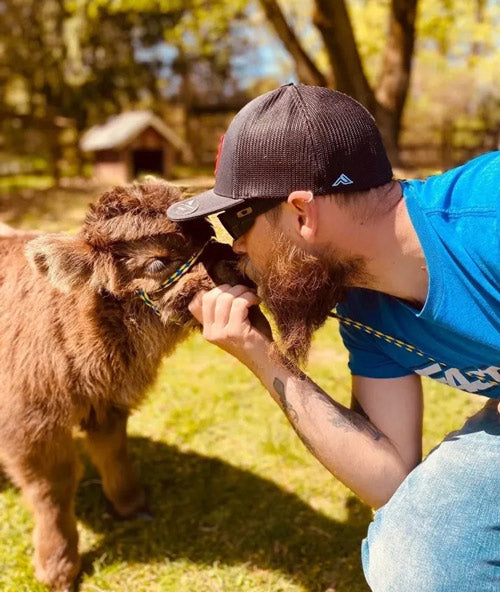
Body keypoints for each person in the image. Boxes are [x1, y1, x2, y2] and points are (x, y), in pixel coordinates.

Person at [166, 83, 500, 592]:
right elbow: (388, 479)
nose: (233, 244)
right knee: (414, 555)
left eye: (238, 217)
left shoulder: (487, 215)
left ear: (303, 213)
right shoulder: (363, 305)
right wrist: (263, 357)